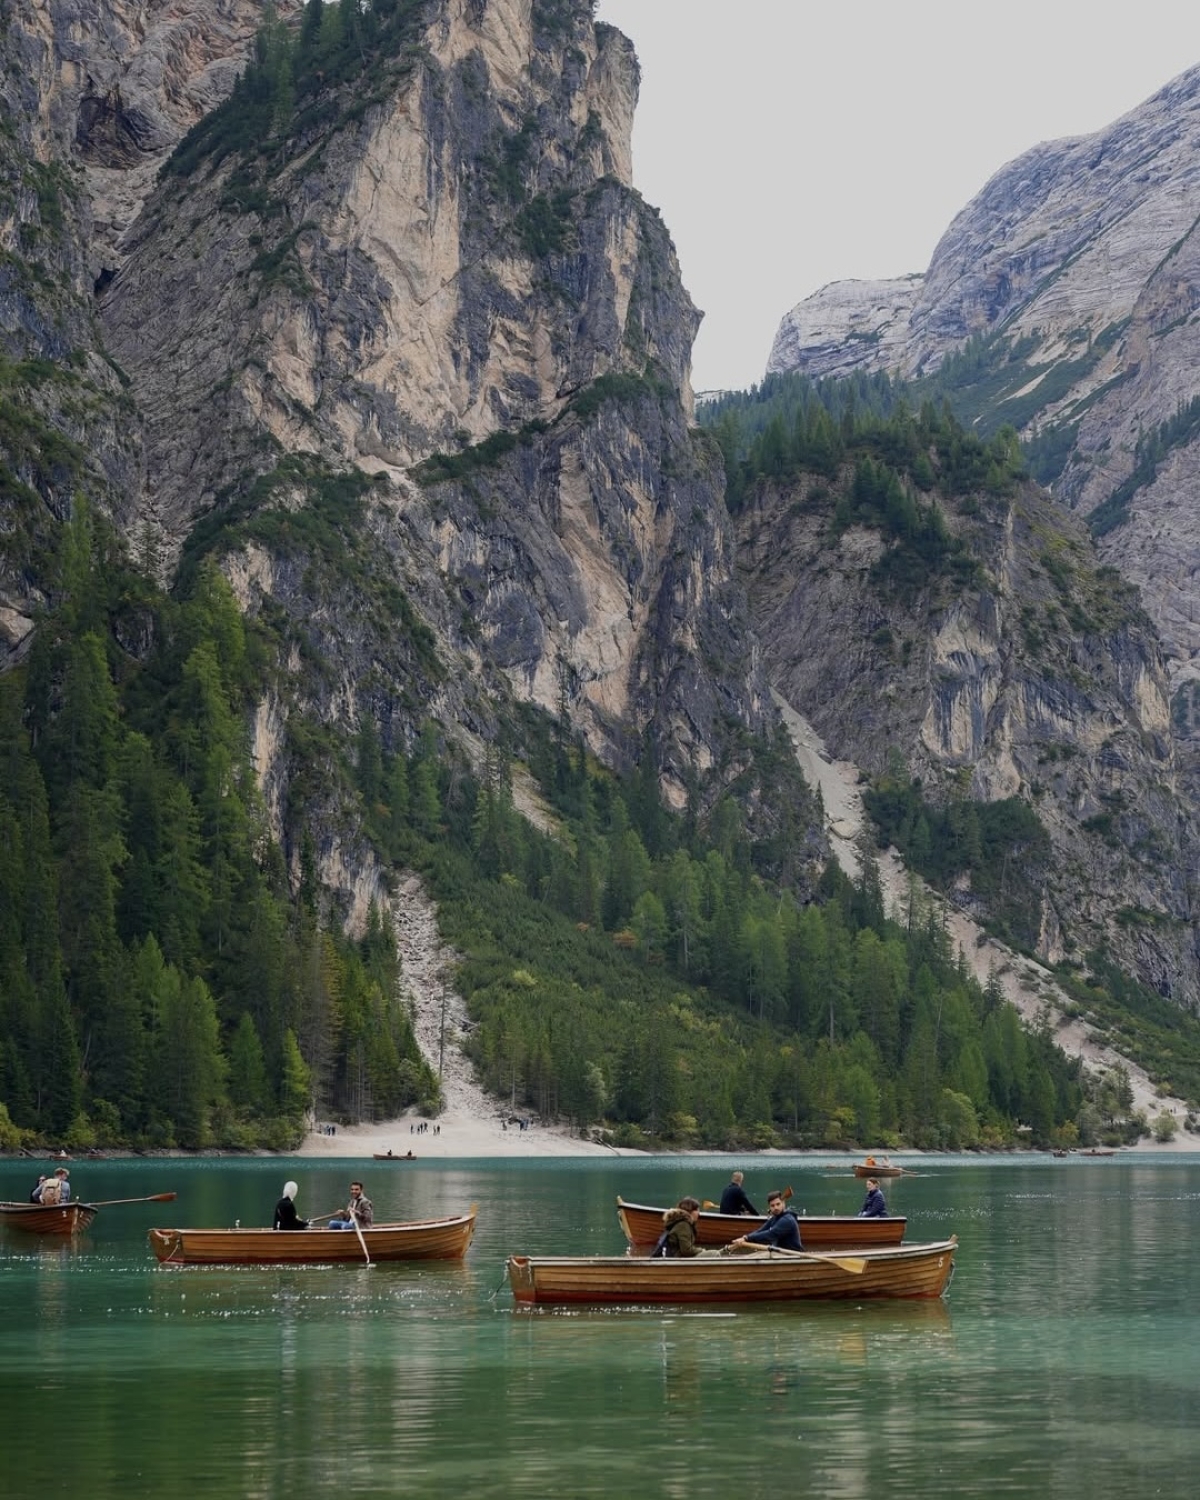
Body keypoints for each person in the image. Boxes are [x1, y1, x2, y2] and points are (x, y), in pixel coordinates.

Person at [728, 1190, 802, 1252]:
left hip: (793, 1255)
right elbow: (760, 1230)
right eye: (772, 1206)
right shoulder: (775, 1218)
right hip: (780, 1254)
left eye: (778, 1204)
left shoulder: (787, 1220)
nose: (776, 1207)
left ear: (783, 1204)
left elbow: (770, 1235)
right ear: (769, 1207)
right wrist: (744, 1238)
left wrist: (746, 1238)